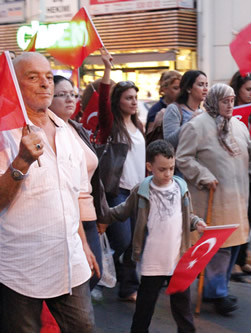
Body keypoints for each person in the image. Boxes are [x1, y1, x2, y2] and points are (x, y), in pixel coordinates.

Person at [0, 52, 95, 332]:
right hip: (21, 268)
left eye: (49, 77)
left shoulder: (67, 131)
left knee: (83, 328)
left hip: (70, 262)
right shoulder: (4, 134)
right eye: (33, 77)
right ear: (14, 86)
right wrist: (21, 162)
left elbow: (72, 195)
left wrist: (84, 244)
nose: (45, 84)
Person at [103, 140, 207, 333]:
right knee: (144, 308)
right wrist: (102, 217)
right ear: (149, 167)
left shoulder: (181, 188)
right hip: (152, 263)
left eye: (171, 168)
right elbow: (122, 211)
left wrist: (196, 223)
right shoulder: (142, 190)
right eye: (162, 169)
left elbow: (188, 216)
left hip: (178, 260)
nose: (168, 174)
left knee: (183, 309)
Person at [176, 83, 251, 315]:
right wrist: (203, 175)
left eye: (232, 100)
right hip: (213, 196)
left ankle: (218, 287)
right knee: (218, 245)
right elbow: (183, 157)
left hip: (238, 196)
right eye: (225, 101)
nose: (230, 104)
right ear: (213, 101)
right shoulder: (197, 125)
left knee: (232, 244)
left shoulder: (239, 126)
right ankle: (217, 292)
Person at [49, 75, 108, 290]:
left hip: (89, 214)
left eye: (73, 94)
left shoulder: (78, 129)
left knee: (93, 274)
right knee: (77, 278)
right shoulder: (46, 133)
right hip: (65, 216)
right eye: (62, 95)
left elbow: (94, 176)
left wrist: (102, 213)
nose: (70, 99)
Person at [96, 50, 146, 302]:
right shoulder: (110, 126)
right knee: (124, 241)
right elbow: (103, 100)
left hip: (141, 192)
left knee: (136, 244)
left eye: (136, 97)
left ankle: (128, 287)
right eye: (129, 98)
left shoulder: (139, 126)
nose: (134, 101)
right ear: (119, 102)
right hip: (119, 193)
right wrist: (107, 69)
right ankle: (100, 273)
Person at [229, 71, 251, 278]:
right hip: (235, 174)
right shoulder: (229, 110)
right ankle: (232, 263)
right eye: (247, 89)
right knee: (237, 219)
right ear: (237, 89)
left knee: (248, 219)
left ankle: (242, 261)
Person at [163, 70, 208, 149]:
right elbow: (169, 142)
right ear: (188, 88)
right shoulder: (174, 109)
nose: (205, 89)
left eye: (206, 85)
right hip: (181, 159)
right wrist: (191, 122)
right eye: (200, 85)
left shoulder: (202, 112)